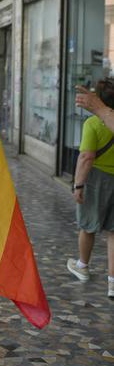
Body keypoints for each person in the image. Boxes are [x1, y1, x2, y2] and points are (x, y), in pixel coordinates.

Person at [67, 77, 114, 300]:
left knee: (88, 226)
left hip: (97, 180)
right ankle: (113, 283)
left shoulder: (93, 124)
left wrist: (78, 186)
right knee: (113, 232)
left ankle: (82, 266)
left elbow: (86, 157)